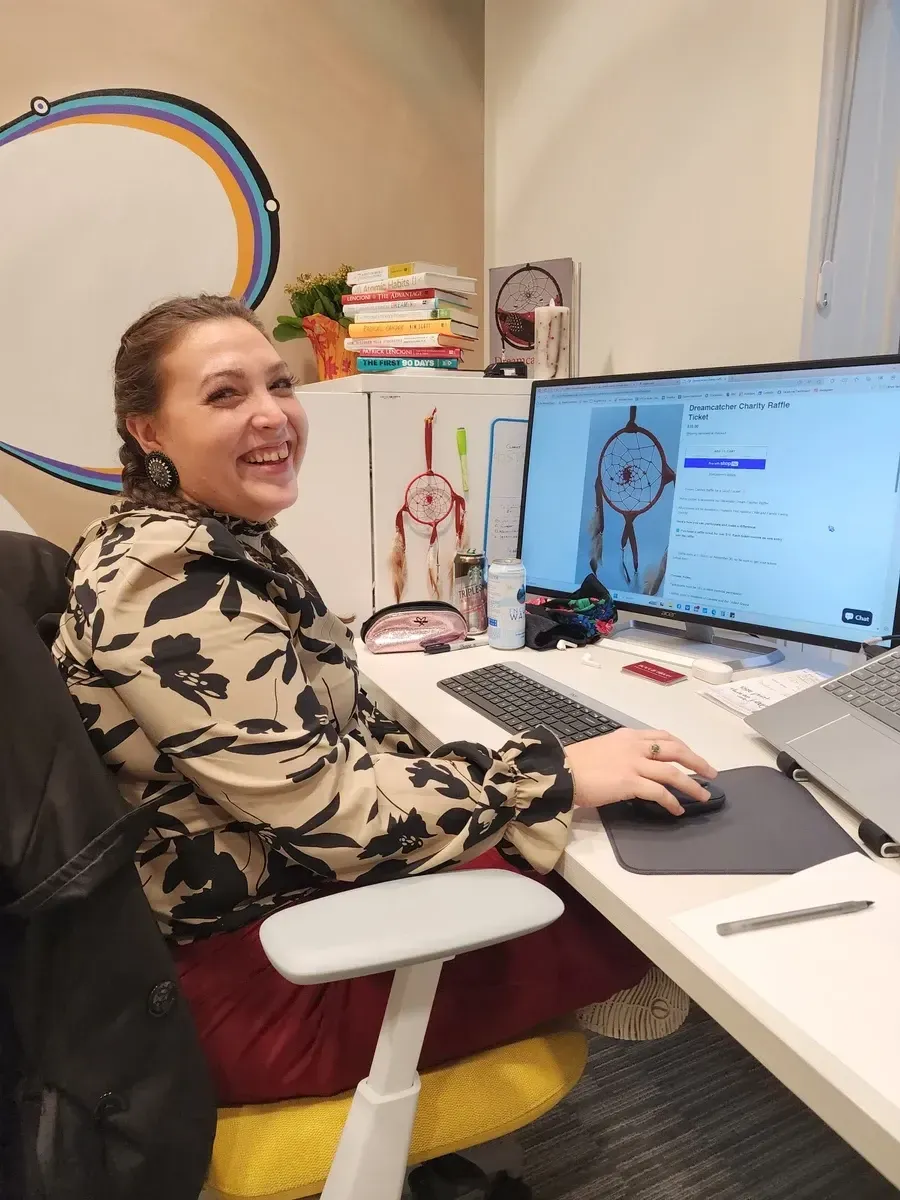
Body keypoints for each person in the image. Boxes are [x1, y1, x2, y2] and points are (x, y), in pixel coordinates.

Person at [52, 295, 716, 1106]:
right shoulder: (167, 582)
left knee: (575, 846)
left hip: (279, 909)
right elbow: (333, 817)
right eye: (226, 395)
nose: (273, 416)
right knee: (632, 908)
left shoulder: (197, 540)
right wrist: (550, 774)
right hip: (254, 985)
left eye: (279, 385)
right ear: (147, 431)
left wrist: (509, 773)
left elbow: (337, 745)